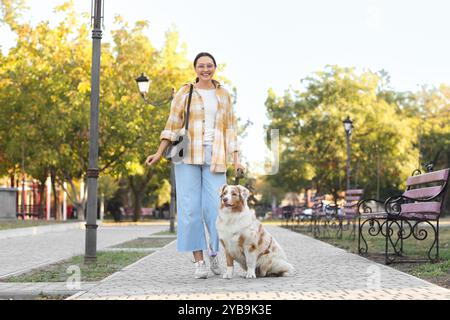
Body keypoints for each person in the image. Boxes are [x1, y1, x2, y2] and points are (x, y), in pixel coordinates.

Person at [145, 52, 245, 279]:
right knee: (190, 210)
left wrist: (237, 159)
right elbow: (172, 125)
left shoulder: (224, 95)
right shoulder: (185, 92)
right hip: (187, 155)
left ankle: (214, 253)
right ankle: (199, 262)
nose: (205, 69)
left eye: (209, 66)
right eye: (201, 66)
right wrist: (159, 152)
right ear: (195, 68)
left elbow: (231, 130)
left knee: (215, 210)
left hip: (216, 155)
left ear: (215, 68)